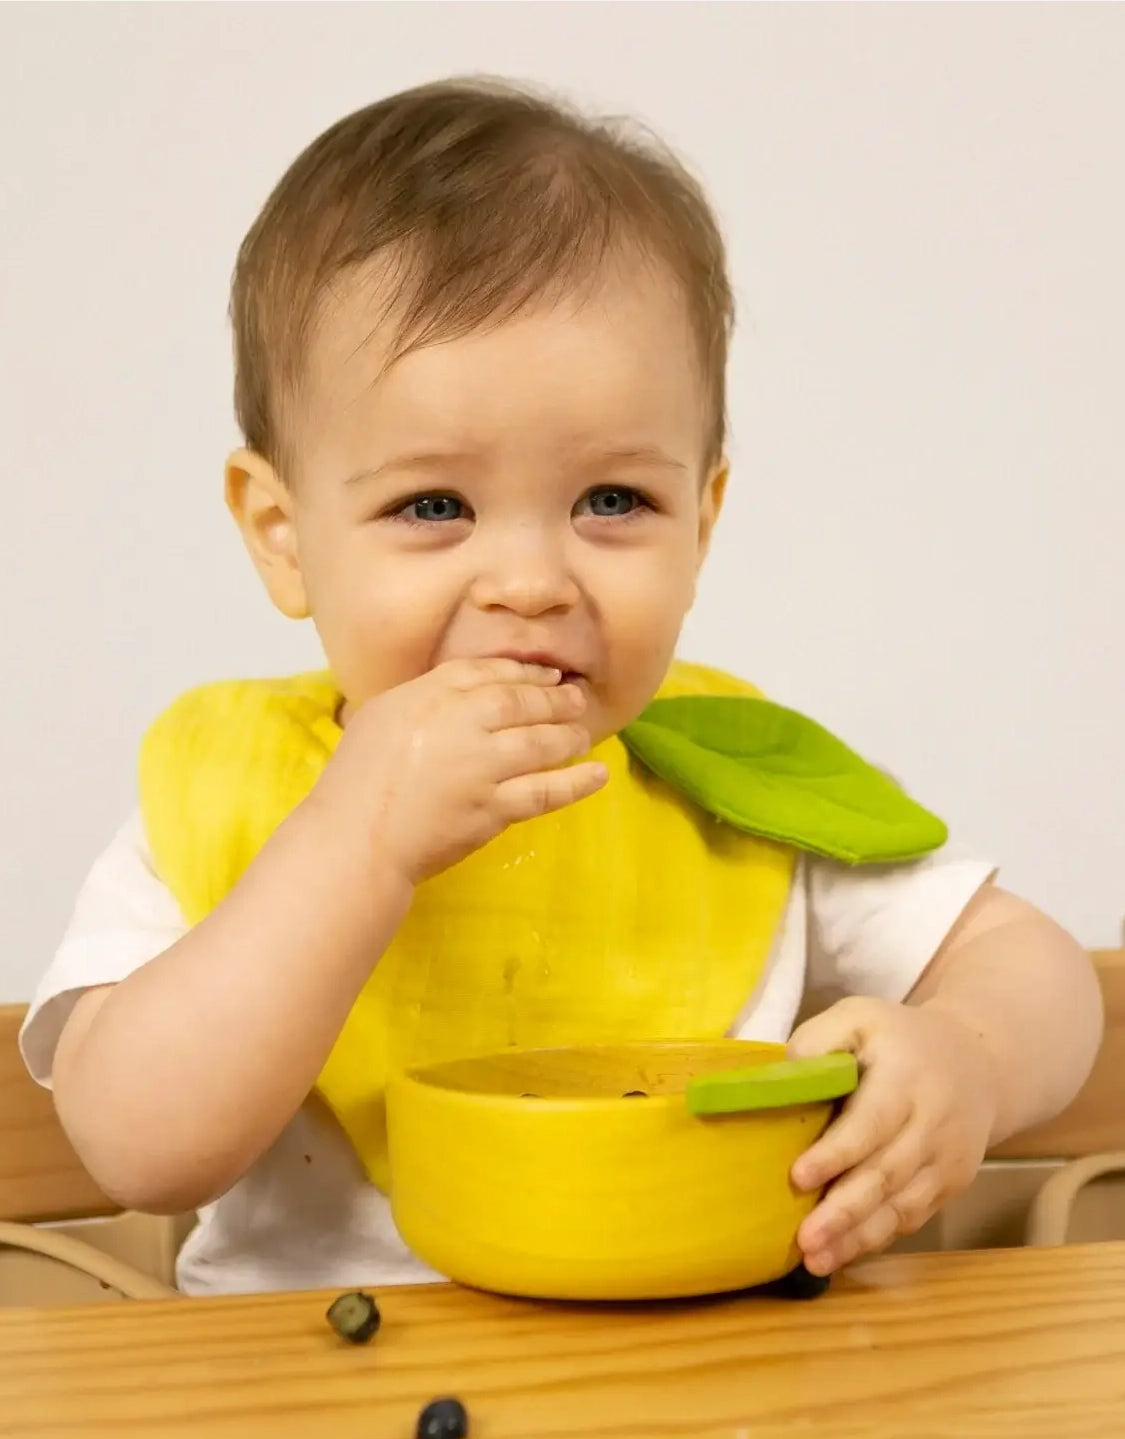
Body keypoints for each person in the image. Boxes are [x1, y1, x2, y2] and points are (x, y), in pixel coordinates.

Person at [20, 78, 1102, 1296]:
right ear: (281, 534)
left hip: (713, 1410)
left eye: (613, 502)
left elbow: (1040, 972)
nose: (532, 581)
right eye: (434, 507)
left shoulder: (731, 784)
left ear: (703, 517)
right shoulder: (231, 791)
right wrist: (354, 845)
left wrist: (965, 1053)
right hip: (319, 1420)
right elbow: (136, 1146)